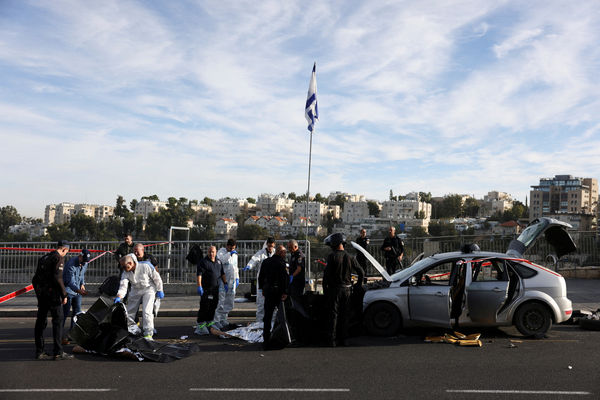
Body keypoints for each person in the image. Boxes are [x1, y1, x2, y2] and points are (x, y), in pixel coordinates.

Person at [32, 240, 73, 360]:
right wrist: (64, 295)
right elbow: (58, 278)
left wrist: (39, 294)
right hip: (53, 295)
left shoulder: (44, 257)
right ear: (64, 249)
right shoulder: (58, 258)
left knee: (40, 322)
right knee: (58, 321)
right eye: (67, 252)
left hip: (42, 295)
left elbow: (35, 280)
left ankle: (39, 351)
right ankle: (58, 351)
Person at [323, 233, 364, 347]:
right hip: (347, 291)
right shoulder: (350, 257)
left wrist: (326, 291)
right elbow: (361, 272)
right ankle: (344, 339)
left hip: (334, 290)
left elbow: (326, 276)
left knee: (333, 315)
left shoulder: (332, 256)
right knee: (345, 316)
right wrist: (358, 285)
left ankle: (332, 340)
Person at [115, 254, 164, 340]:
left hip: (148, 289)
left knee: (147, 311)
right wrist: (119, 296)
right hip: (135, 289)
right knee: (129, 312)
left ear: (130, 263)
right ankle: (130, 331)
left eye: (124, 266)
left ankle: (148, 333)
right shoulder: (126, 272)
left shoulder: (145, 266)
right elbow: (123, 285)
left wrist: (160, 289)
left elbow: (157, 278)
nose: (123, 268)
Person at [258, 244, 289, 349]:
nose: (285, 254)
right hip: (278, 292)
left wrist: (262, 289)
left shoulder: (266, 261)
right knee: (281, 317)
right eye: (284, 252)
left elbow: (261, 276)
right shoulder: (282, 263)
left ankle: (266, 339)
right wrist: (285, 292)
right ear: (280, 253)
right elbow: (285, 279)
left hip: (268, 292)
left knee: (267, 316)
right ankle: (282, 338)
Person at [195, 246, 227, 335]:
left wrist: (225, 283)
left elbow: (222, 273)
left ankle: (209, 322)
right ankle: (200, 325)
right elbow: (199, 275)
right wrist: (199, 286)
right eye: (209, 252)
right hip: (206, 289)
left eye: (213, 252)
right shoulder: (203, 262)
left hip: (215, 289)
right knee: (205, 306)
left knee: (213, 306)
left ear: (216, 252)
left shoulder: (218, 262)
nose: (211, 254)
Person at [61, 248, 91, 344]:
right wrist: (78, 289)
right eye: (83, 260)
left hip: (78, 291)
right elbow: (70, 281)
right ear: (80, 256)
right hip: (69, 290)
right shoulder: (71, 264)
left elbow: (82, 275)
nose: (84, 263)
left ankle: (72, 334)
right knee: (64, 314)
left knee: (77, 313)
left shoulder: (85, 263)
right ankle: (60, 336)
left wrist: (82, 284)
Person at [243, 237, 276, 323]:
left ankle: (272, 322)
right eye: (269, 246)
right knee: (261, 304)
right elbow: (254, 259)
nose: (270, 248)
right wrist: (249, 265)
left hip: (272, 282)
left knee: (273, 304)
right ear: (266, 245)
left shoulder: (275, 253)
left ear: (274, 245)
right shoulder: (261, 253)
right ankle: (259, 323)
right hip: (263, 281)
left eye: (271, 246)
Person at [213, 239, 239, 329]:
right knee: (220, 302)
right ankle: (216, 321)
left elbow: (235, 267)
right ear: (227, 246)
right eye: (231, 248)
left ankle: (223, 319)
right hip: (223, 282)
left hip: (232, 282)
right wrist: (229, 254)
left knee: (229, 302)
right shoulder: (221, 252)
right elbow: (221, 261)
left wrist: (237, 278)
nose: (232, 250)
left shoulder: (235, 254)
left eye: (233, 248)